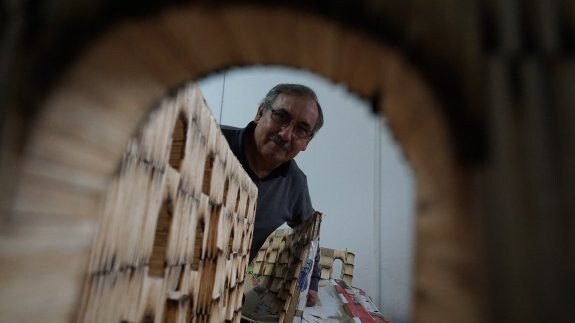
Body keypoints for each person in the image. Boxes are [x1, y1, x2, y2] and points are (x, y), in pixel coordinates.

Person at [220, 83, 324, 306]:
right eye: (280, 117)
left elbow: (310, 235)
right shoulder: (210, 139)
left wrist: (311, 284)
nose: (286, 134)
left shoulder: (295, 184)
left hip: (225, 288)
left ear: (306, 143)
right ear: (260, 113)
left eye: (301, 130)